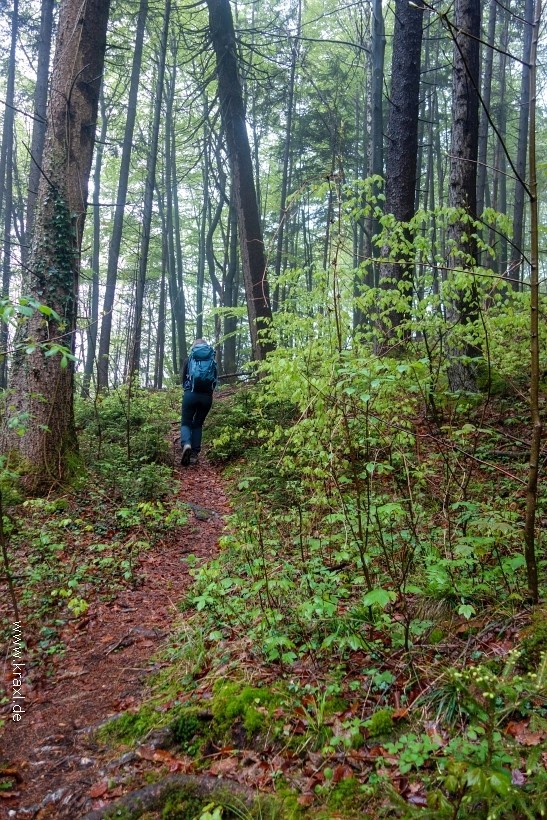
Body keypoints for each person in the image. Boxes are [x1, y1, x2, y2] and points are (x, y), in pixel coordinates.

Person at [180, 339, 217, 466]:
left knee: (186, 422)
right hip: (206, 397)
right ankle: (194, 455)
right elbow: (215, 380)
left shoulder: (189, 359)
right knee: (198, 424)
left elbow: (183, 378)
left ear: (194, 347)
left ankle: (186, 444)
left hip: (190, 394)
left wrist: (187, 390)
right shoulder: (212, 360)